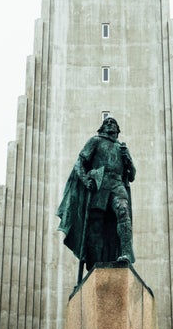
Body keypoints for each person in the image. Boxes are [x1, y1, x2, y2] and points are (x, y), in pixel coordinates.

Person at [56, 117, 136, 275]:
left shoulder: (122, 148)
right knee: (96, 226)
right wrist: (86, 181)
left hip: (117, 185)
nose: (110, 125)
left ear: (118, 130)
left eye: (113, 123)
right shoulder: (95, 141)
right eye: (107, 123)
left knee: (123, 211)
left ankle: (126, 253)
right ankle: (95, 262)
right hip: (100, 186)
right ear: (102, 128)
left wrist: (128, 159)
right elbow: (80, 163)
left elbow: (132, 175)